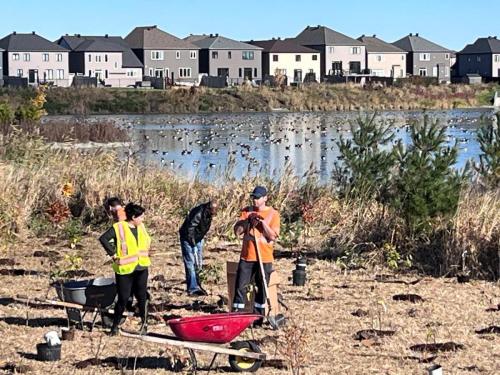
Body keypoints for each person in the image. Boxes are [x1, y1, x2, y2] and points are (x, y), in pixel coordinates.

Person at [99, 203, 151, 336]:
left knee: (142, 297)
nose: (143, 219)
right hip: (125, 269)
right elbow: (104, 239)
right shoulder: (119, 227)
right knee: (123, 299)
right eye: (141, 217)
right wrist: (113, 254)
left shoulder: (141, 227)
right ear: (133, 217)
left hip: (141, 267)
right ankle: (115, 327)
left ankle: (144, 325)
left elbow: (146, 241)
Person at [232, 186, 280, 320]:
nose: (255, 200)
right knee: (240, 287)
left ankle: (258, 316)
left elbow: (272, 236)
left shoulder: (273, 214)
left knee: (261, 288)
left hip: (264, 258)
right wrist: (247, 222)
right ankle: (237, 315)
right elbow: (237, 231)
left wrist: (262, 223)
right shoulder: (246, 212)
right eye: (253, 197)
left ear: (265, 198)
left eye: (258, 198)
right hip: (247, 257)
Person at [179, 201, 218, 296]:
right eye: (213, 211)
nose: (213, 214)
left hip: (198, 238)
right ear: (209, 208)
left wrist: (199, 241)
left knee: (198, 263)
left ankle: (198, 285)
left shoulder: (208, 214)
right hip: (188, 238)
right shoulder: (198, 213)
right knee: (190, 262)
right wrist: (193, 244)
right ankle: (192, 288)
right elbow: (190, 229)